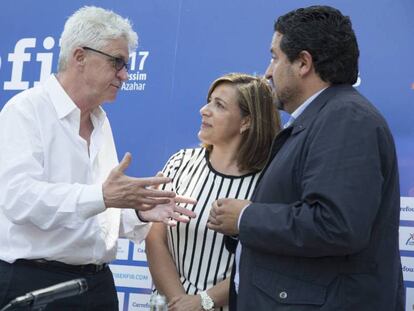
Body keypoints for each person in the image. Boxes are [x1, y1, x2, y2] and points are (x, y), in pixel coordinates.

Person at [208, 5, 404, 311]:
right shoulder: (322, 117)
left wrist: (246, 218)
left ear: (303, 63)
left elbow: (335, 224)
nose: (268, 72)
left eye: (274, 57)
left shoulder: (346, 119)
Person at [0, 6, 195, 311]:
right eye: (117, 62)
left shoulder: (101, 121)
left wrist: (138, 212)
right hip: (36, 284)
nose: (125, 75)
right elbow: (19, 200)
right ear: (79, 56)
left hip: (97, 285)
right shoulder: (25, 111)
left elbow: (90, 214)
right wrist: (103, 195)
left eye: (127, 65)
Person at [145, 73, 281, 311]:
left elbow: (263, 263)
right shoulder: (180, 163)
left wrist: (203, 302)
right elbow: (156, 238)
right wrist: (181, 302)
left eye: (219, 105)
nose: (204, 110)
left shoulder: (268, 181)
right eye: (209, 101)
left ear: (246, 122)